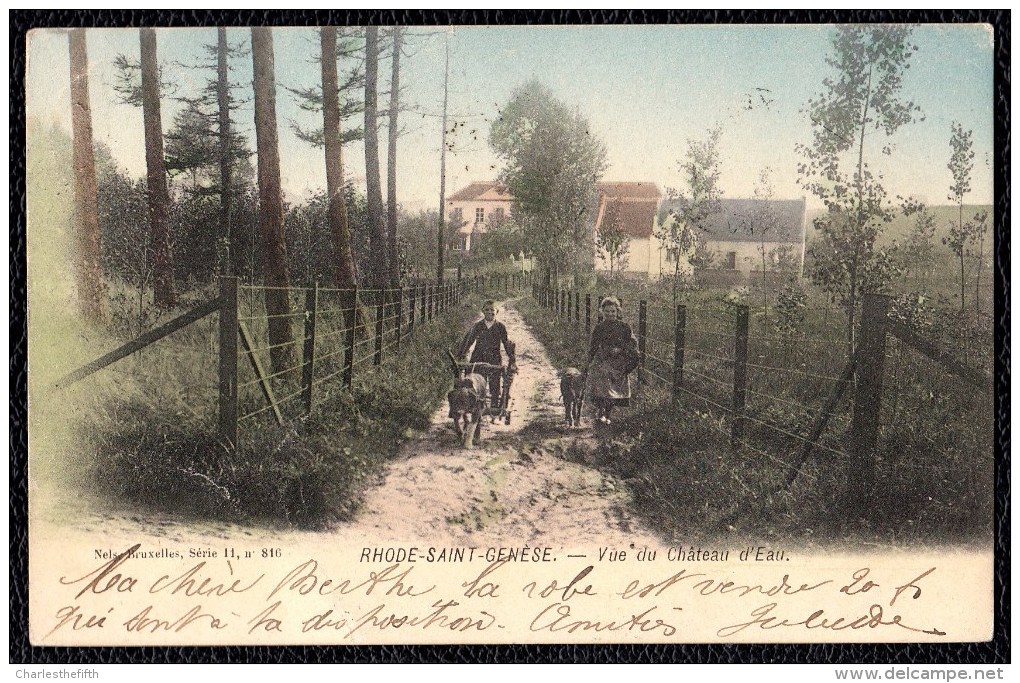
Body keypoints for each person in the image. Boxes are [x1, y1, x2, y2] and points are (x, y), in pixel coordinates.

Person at [585, 296, 638, 425]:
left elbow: (632, 344)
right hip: (603, 359)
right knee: (603, 381)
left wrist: (620, 350)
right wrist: (588, 362)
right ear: (602, 312)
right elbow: (593, 346)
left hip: (619, 362)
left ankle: (607, 414)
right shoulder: (599, 328)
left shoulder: (624, 327)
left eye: (613, 311)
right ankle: (601, 411)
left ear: (618, 312)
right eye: (607, 311)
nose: (610, 314)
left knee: (614, 389)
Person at [458, 300, 517, 408]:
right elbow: (469, 341)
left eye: (492, 310)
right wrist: (462, 354)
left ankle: (494, 405)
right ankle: (476, 404)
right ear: (482, 311)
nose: (490, 312)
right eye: (487, 310)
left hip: (494, 359)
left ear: (497, 311)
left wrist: (512, 358)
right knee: (476, 381)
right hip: (478, 358)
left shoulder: (500, 327)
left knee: (494, 383)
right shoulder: (477, 326)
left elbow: (505, 342)